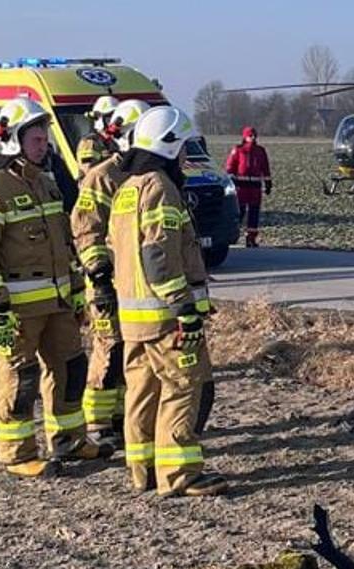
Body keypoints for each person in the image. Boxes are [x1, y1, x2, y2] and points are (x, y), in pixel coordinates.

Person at [0, 98, 100, 477]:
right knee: (20, 380)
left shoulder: (46, 184)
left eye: (45, 139)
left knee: (71, 370)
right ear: (14, 140)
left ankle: (69, 440)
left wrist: (76, 292)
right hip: (18, 310)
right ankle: (18, 453)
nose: (44, 146)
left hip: (58, 306)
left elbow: (64, 243)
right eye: (37, 140)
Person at [110, 106, 232, 497]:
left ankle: (142, 470)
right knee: (182, 387)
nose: (184, 158)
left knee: (141, 393)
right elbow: (158, 256)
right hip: (166, 317)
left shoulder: (127, 189)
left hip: (134, 318)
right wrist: (185, 309)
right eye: (182, 149)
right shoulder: (161, 188)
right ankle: (179, 474)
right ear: (169, 148)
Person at [71, 99, 154, 451]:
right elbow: (86, 229)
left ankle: (123, 416)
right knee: (109, 349)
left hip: (134, 282)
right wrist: (100, 276)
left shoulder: (144, 177)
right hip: (106, 284)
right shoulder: (102, 177)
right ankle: (98, 422)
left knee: (132, 353)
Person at [226, 127, 273, 247]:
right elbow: (230, 167)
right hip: (241, 187)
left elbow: (265, 167)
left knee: (254, 213)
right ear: (244, 136)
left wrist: (268, 183)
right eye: (250, 136)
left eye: (254, 136)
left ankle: (251, 238)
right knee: (239, 212)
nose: (252, 138)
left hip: (255, 187)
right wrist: (232, 181)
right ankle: (232, 235)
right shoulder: (238, 150)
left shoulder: (260, 151)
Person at [76, 95, 122, 169]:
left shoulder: (117, 140)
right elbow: (88, 170)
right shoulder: (89, 142)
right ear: (99, 118)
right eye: (109, 116)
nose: (113, 121)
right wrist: (111, 160)